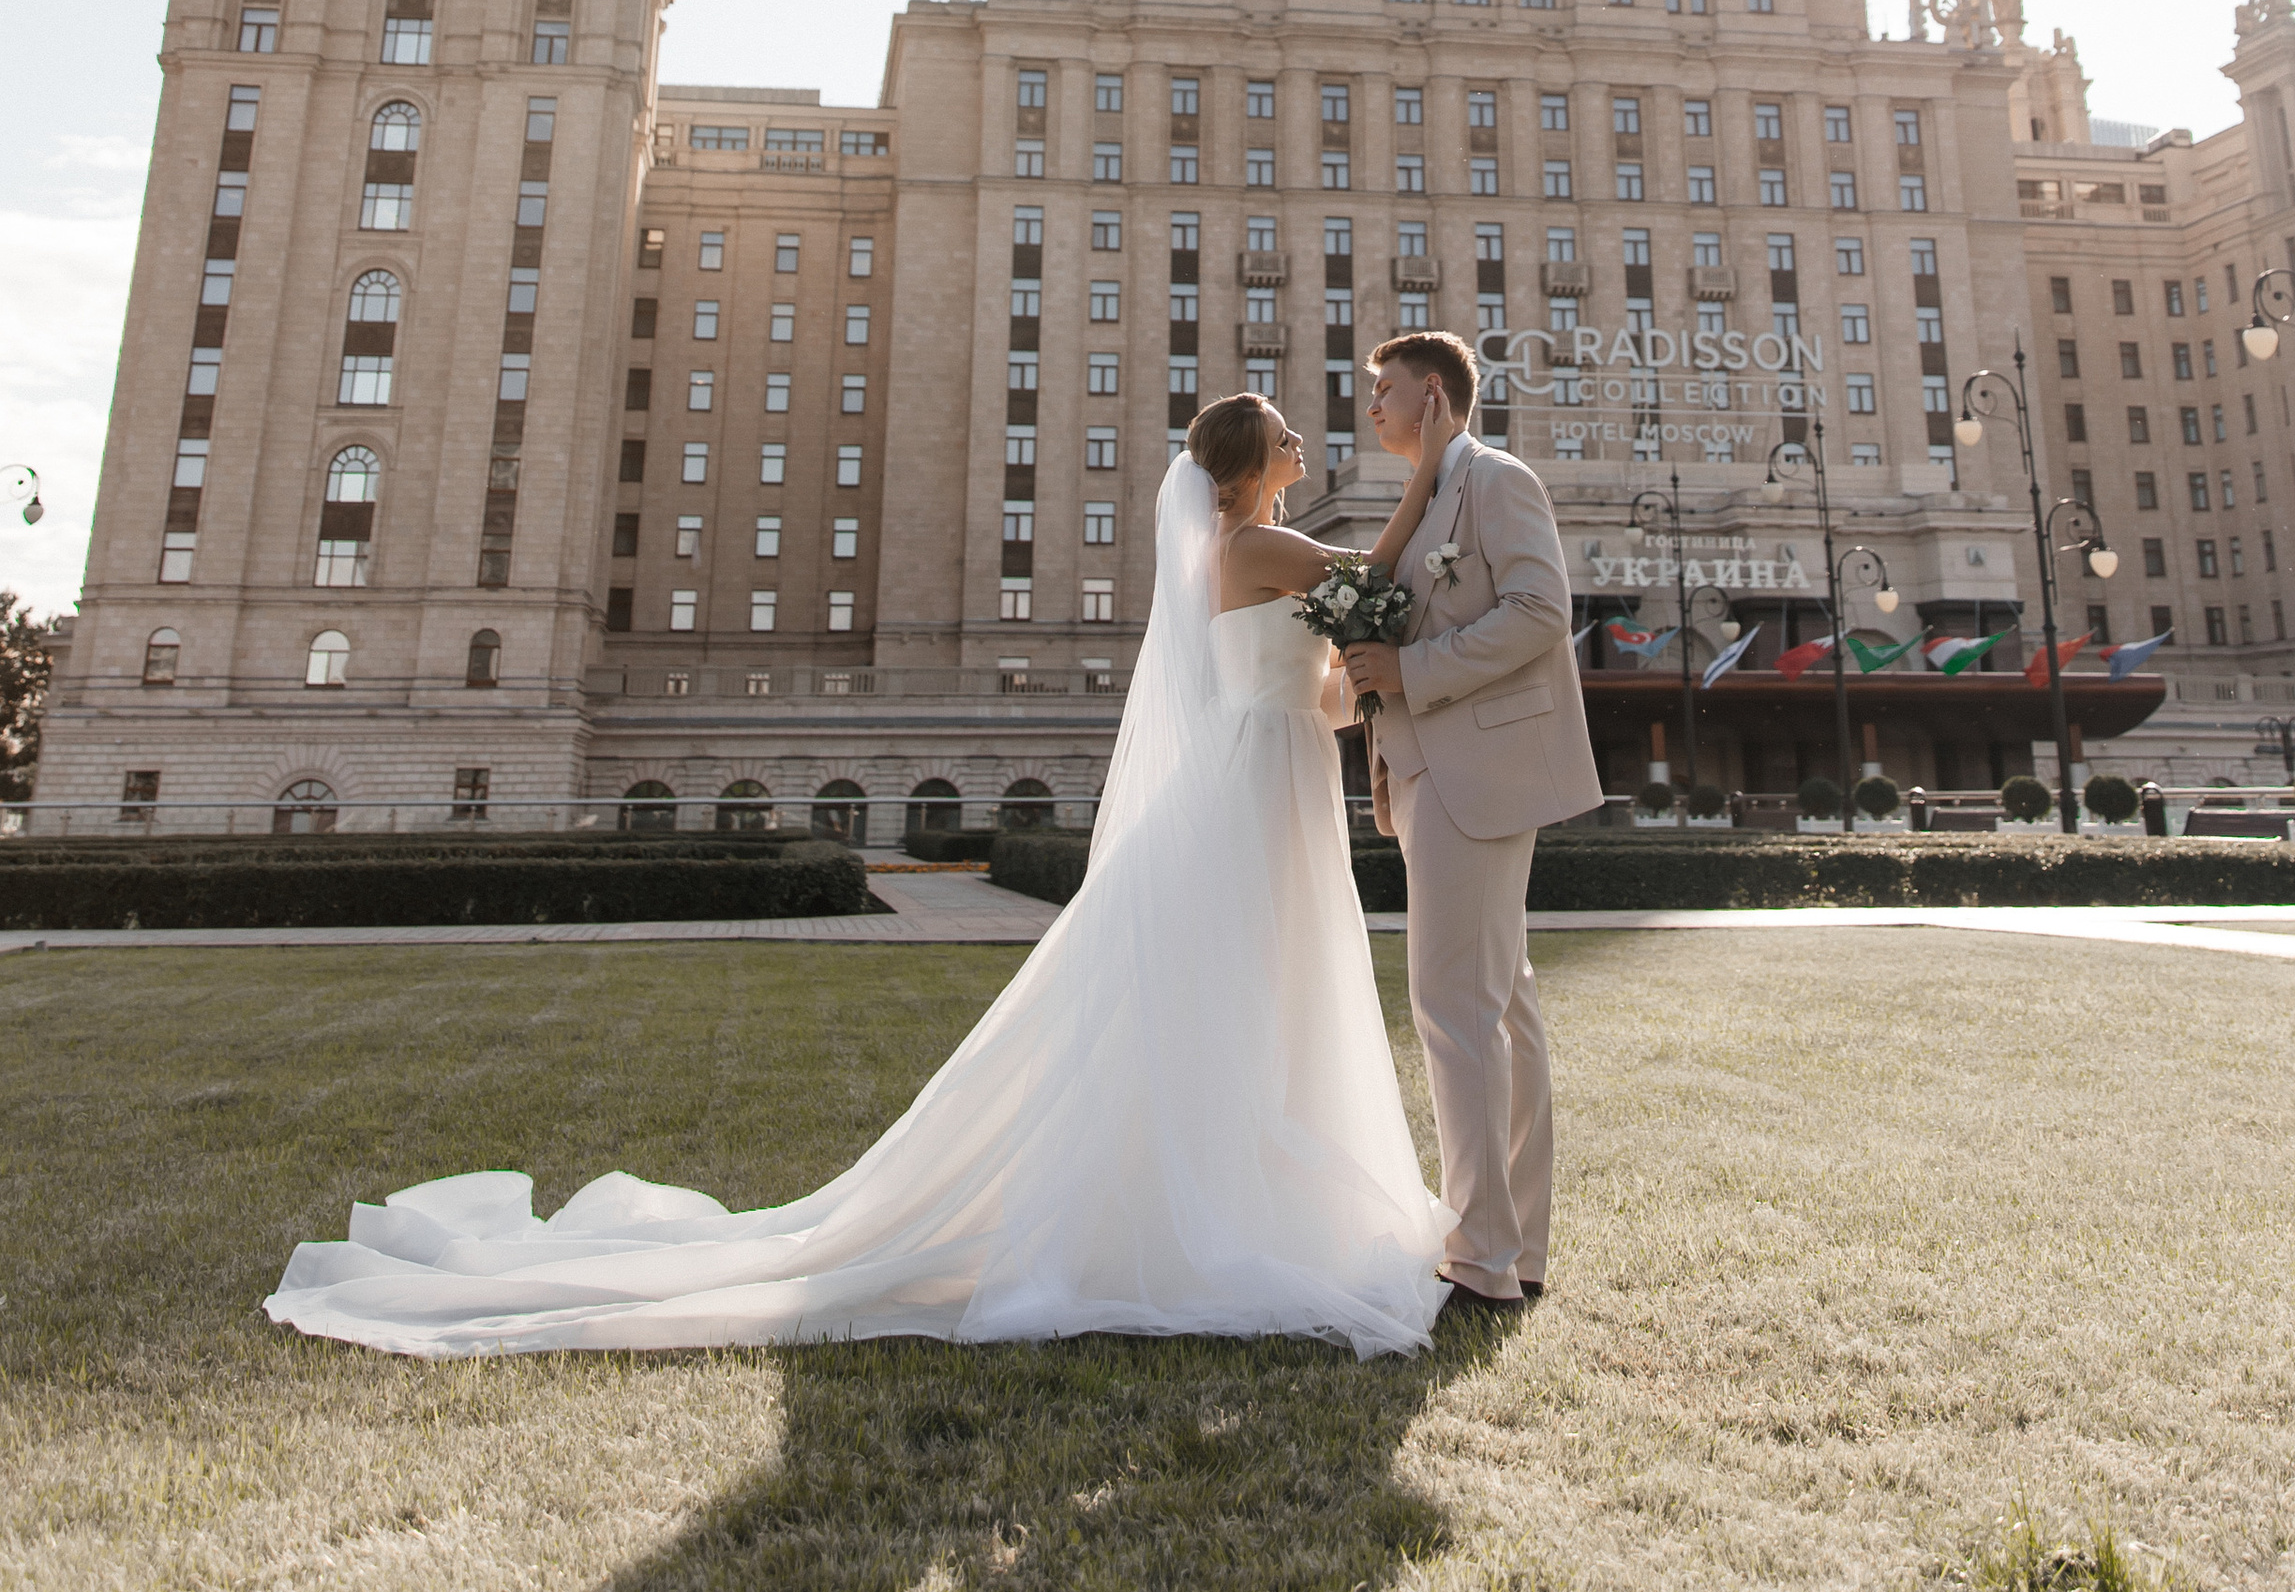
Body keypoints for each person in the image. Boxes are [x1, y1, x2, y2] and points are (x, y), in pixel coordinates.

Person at [263, 394, 1468, 1360]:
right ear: (1256, 460)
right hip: (1254, 786)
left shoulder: (1240, 549)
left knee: (1246, 985)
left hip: (1271, 771)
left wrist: (1356, 689)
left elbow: (1324, 683)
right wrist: (1438, 461)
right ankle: (1225, 1205)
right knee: (1250, 979)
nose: (1310, 441)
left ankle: (1236, 1187)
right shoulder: (1256, 543)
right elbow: (1378, 579)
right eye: (1291, 434)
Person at [1339, 331, 1602, 1312]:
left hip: (1474, 772)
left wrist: (1409, 673)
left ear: (1435, 395)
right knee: (1499, 1011)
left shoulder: (1494, 479)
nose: (1372, 407)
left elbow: (1538, 611)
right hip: (1427, 779)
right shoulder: (1424, 504)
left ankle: (1481, 1257)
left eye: (1384, 390)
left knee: (1455, 1014)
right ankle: (1512, 1249)